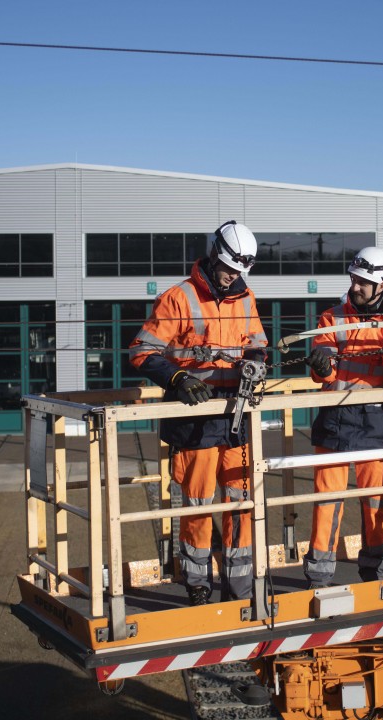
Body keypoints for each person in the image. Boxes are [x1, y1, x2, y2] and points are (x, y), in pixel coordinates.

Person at [129, 220, 268, 606]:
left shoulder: (245, 297)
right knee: (198, 503)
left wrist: (255, 363)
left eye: (238, 272)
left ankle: (240, 585)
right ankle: (197, 582)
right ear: (213, 256)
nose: (231, 278)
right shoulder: (179, 298)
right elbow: (142, 351)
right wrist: (177, 378)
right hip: (195, 418)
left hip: (235, 413)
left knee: (240, 503)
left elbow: (257, 342)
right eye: (227, 269)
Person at [303, 246, 383, 588]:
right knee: (325, 503)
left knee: (377, 506)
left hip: (376, 425)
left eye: (363, 282)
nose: (355, 287)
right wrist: (323, 368)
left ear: (382, 285)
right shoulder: (331, 317)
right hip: (335, 422)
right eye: (354, 279)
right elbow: (323, 370)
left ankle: (376, 573)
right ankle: (319, 577)